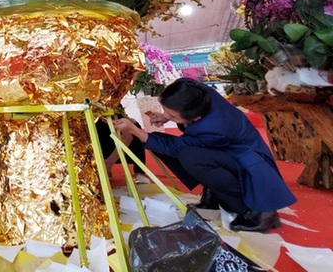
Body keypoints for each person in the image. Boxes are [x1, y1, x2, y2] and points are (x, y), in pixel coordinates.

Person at [113, 78, 296, 233]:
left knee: (189, 157)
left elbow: (175, 147)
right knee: (161, 144)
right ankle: (214, 195)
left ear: (196, 118)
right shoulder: (191, 89)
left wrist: (135, 131)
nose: (168, 116)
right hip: (228, 151)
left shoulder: (215, 128)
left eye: (174, 116)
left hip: (249, 162)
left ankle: (256, 211)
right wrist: (167, 116)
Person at [95, 117, 150, 184]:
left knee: (134, 125)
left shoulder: (118, 113)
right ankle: (101, 169)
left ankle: (139, 172)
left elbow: (128, 138)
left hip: (125, 149)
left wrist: (108, 164)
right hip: (104, 148)